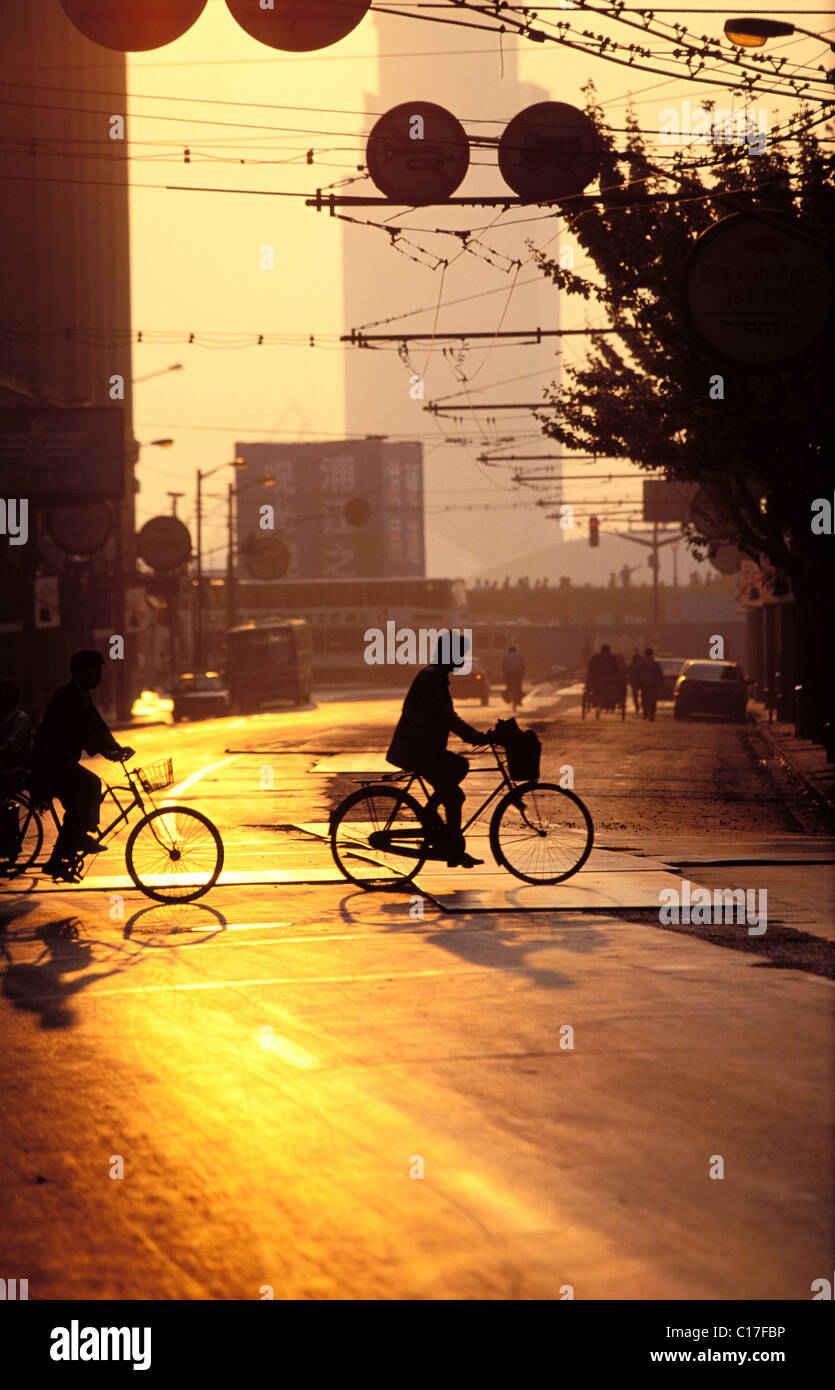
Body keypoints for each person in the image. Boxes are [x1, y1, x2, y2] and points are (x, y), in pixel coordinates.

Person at [386, 632, 492, 869]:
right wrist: (473, 735)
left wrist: (472, 735)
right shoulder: (431, 677)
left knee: (457, 777)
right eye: (460, 654)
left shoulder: (437, 676)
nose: (462, 660)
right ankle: (445, 838)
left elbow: (445, 715)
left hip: (422, 749)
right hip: (414, 750)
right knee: (454, 791)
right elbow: (445, 715)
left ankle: (446, 838)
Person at [30, 650, 134, 880]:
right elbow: (80, 732)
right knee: (90, 785)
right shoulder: (68, 697)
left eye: (100, 670)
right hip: (49, 763)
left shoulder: (82, 695)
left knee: (79, 805)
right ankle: (78, 840)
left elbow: (97, 726)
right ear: (80, 672)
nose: (99, 675)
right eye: (94, 670)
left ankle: (59, 859)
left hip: (60, 762)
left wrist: (114, 746)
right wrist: (106, 751)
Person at [0, 679, 31, 797]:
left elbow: (11, 748)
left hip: (13, 770)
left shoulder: (20, 718)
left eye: (7, 694)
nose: (3, 697)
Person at [636, 647, 664, 722]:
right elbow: (660, 674)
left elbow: (636, 673)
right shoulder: (655, 663)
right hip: (653, 684)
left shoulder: (641, 663)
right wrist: (661, 683)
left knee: (644, 698)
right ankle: (652, 714)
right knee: (653, 699)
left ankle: (645, 713)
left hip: (644, 684)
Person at [501, 643, 525, 709]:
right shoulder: (519, 656)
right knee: (519, 687)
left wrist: (504, 674)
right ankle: (519, 700)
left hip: (509, 674)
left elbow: (503, 666)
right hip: (517, 674)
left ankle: (509, 696)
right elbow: (523, 665)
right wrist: (522, 673)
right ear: (515, 650)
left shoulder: (506, 656)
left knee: (508, 686)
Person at [627, 648, 643, 715]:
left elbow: (627, 670)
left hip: (635, 682)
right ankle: (641, 706)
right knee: (644, 695)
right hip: (643, 682)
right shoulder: (643, 665)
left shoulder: (633, 665)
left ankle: (637, 707)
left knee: (635, 695)